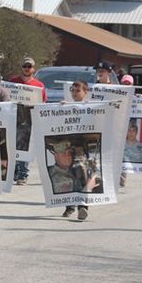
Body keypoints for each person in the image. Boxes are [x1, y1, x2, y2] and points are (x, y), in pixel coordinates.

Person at [9, 57, 47, 185]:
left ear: (33, 68)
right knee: (11, 146)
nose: (27, 68)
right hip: (14, 118)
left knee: (25, 148)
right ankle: (12, 172)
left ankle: (22, 175)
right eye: (25, 66)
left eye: (29, 66)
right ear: (21, 68)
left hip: (29, 120)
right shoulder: (13, 82)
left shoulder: (39, 86)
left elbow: (43, 103)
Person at [60, 80, 91, 220]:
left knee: (81, 174)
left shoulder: (91, 107)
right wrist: (59, 108)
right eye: (72, 90)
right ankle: (69, 206)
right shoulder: (66, 105)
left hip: (81, 149)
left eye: (78, 91)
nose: (74, 93)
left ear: (85, 92)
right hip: (67, 147)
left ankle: (82, 206)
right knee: (68, 176)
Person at [47, 139, 99, 221]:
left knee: (82, 179)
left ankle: (82, 207)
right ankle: (70, 206)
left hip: (79, 151)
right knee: (68, 179)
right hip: (63, 146)